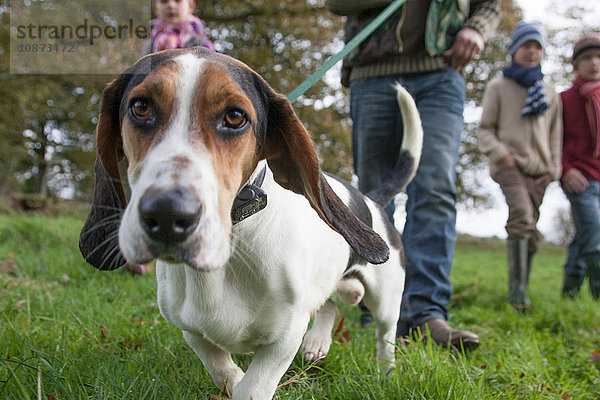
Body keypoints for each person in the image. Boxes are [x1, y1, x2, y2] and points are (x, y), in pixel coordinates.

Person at [325, 0, 501, 349]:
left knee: (435, 191)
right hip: (371, 72)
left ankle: (426, 314)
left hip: (441, 69)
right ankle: (374, 310)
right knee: (372, 198)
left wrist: (476, 27)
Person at [478, 22, 562, 310]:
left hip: (540, 171)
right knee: (522, 216)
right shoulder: (499, 86)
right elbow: (486, 128)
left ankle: (522, 286)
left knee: (531, 230)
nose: (532, 52)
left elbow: (555, 133)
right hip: (509, 165)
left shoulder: (549, 92)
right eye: (526, 46)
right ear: (515, 49)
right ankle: (517, 294)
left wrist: (554, 169)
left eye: (537, 47)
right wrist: (503, 154)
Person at [559, 32, 600, 300]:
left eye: (598, 57)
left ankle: (570, 292)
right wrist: (565, 170)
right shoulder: (564, 100)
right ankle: (598, 294)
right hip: (580, 178)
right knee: (595, 233)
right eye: (586, 58)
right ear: (576, 64)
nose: (594, 63)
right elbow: (553, 141)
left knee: (584, 234)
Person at [140, 0, 214, 57]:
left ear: (191, 6)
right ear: (155, 8)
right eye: (164, 1)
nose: (171, 5)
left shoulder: (202, 44)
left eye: (178, 0)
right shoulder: (149, 45)